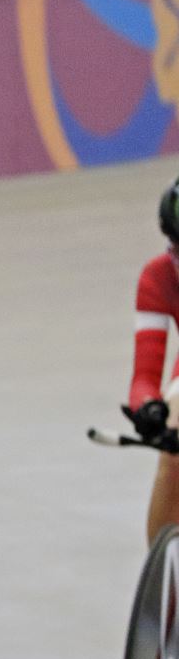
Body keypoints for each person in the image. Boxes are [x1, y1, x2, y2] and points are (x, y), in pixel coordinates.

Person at [125, 177, 179, 543]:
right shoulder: (159, 276)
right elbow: (144, 376)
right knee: (173, 452)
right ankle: (164, 587)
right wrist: (149, 408)